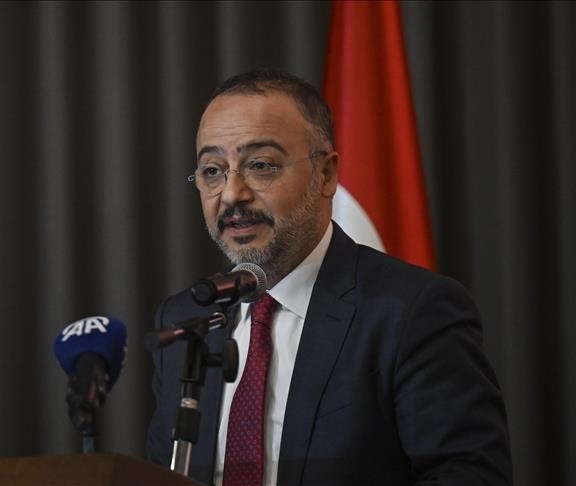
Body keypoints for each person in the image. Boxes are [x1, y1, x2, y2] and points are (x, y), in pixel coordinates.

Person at [146, 68, 512, 486]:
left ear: (326, 174)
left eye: (260, 165)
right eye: (213, 170)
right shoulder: (186, 321)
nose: (232, 194)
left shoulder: (411, 312)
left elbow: (469, 476)